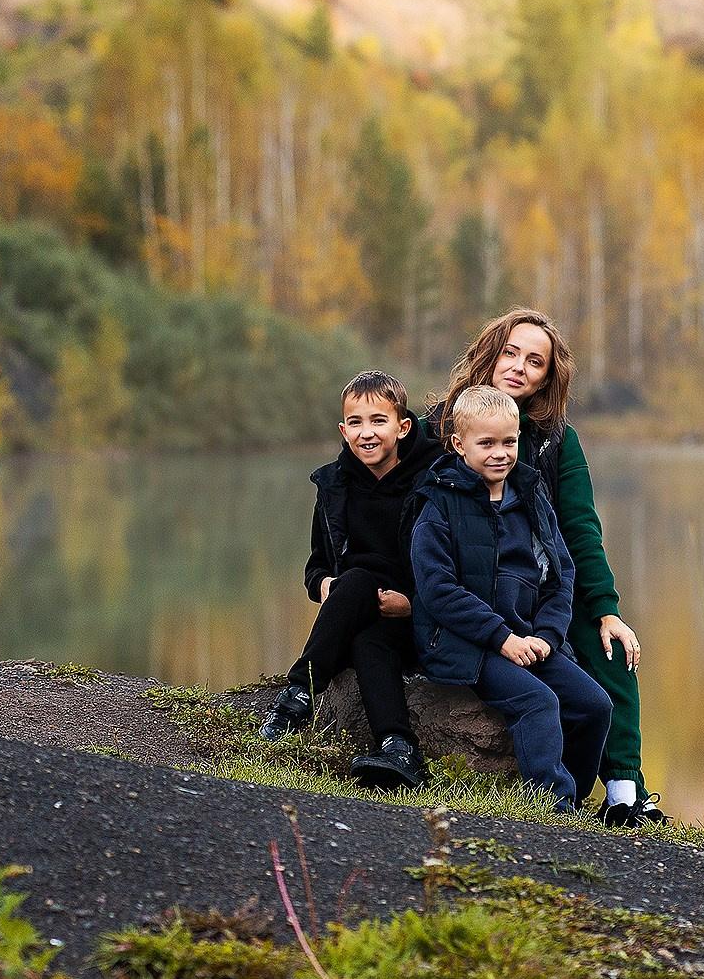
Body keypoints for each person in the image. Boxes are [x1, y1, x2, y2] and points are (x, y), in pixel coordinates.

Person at [421, 308, 662, 827]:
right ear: (489, 353)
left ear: (548, 377)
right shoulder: (442, 424)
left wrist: (605, 608)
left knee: (611, 647)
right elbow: (393, 491)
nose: (519, 367)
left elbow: (579, 529)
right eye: (510, 352)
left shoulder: (554, 442)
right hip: (464, 586)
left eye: (535, 361)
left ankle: (624, 791)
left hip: (538, 585)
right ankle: (554, 798)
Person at [409, 386, 612, 811]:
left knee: (594, 705)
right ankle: (551, 807)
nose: (501, 453)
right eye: (487, 443)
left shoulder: (531, 495)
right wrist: (501, 638)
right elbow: (437, 590)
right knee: (539, 702)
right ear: (459, 444)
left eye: (510, 441)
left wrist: (548, 635)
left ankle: (572, 797)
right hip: (467, 644)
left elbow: (562, 573)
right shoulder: (438, 503)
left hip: (528, 637)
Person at [259, 371, 438, 790]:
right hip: (356, 608)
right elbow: (317, 567)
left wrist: (411, 604)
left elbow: (457, 570)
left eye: (379, 420)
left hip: (416, 616)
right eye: (355, 423)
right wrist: (325, 588)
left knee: (362, 611)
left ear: (403, 426)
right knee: (356, 596)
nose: (366, 432)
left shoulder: (433, 480)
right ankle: (398, 747)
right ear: (343, 430)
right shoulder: (334, 485)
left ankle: (299, 692)